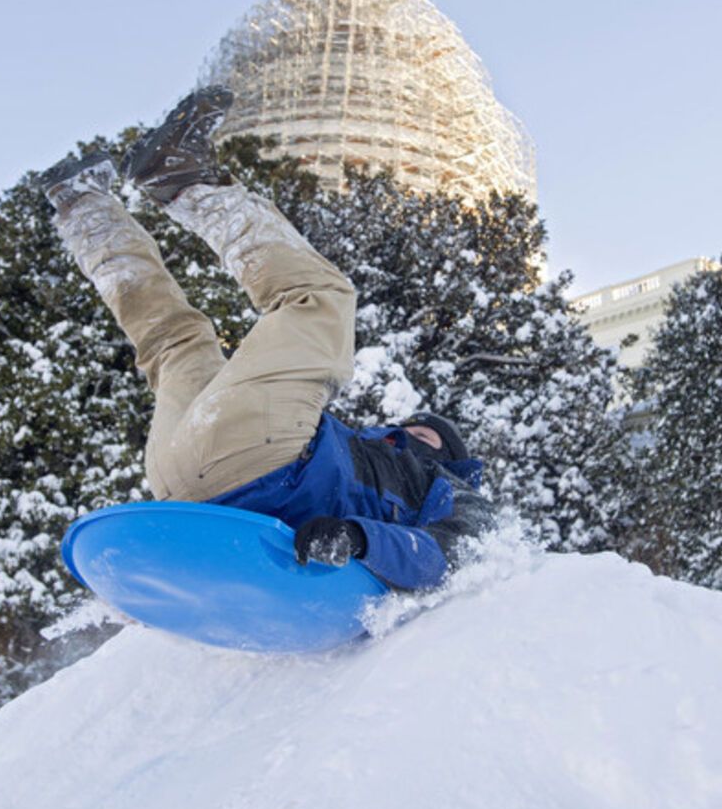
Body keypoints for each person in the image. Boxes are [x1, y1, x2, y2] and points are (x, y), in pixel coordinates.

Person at [38, 87, 494, 590]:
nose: (404, 433)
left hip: (256, 463)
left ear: (448, 458)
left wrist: (360, 538)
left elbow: (456, 553)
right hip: (188, 479)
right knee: (176, 345)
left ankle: (184, 181)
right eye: (407, 427)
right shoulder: (364, 456)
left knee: (320, 298)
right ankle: (85, 210)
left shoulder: (447, 487)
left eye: (426, 436)